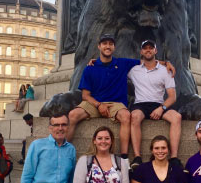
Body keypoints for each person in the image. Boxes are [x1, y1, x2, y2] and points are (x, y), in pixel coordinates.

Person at [67, 34, 174, 164]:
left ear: (114, 47)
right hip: (95, 102)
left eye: (110, 44)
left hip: (116, 104)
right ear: (99, 46)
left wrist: (167, 63)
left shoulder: (122, 63)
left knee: (126, 116)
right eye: (104, 44)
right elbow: (85, 95)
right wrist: (98, 105)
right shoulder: (90, 68)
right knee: (72, 115)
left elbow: (147, 62)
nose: (107, 46)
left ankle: (124, 157)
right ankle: (64, 149)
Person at [128, 40, 182, 170]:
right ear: (141, 51)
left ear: (155, 51)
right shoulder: (133, 70)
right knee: (134, 116)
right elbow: (113, 64)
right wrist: (94, 61)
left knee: (177, 117)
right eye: (145, 48)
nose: (148, 50)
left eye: (150, 48)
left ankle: (174, 157)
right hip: (140, 104)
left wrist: (161, 108)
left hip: (158, 104)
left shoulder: (165, 71)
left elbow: (172, 96)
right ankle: (137, 157)